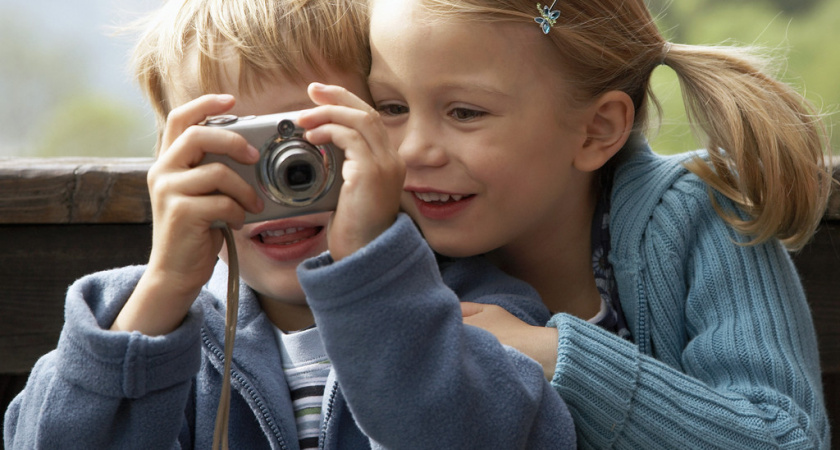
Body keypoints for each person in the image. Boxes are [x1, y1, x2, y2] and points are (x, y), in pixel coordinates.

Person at [4, 0, 576, 448]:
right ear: (173, 162)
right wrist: (161, 294)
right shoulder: (137, 322)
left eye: (309, 142)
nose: (279, 176)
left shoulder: (475, 314)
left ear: (382, 142)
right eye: (232, 144)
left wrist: (370, 271)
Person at [301, 0, 831, 448]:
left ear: (596, 131)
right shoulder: (391, 253)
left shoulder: (700, 217)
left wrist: (554, 353)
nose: (413, 149)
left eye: (464, 112)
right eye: (391, 106)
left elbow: (787, 436)